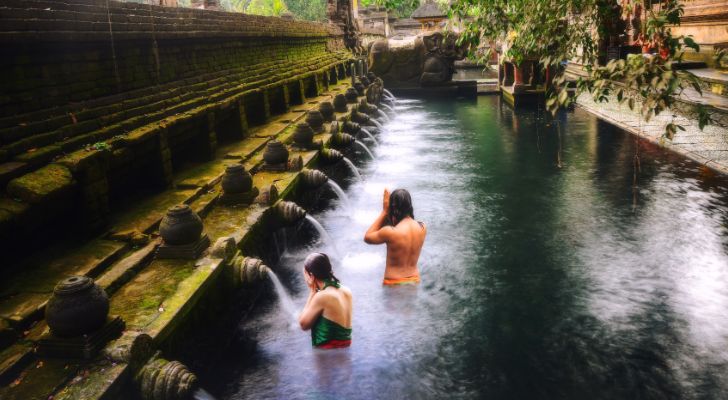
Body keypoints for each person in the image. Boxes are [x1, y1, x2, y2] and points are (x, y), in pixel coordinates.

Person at [364, 188, 427, 285]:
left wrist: (384, 212)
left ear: (393, 208)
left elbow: (367, 237)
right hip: (414, 281)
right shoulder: (422, 227)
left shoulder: (390, 232)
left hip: (393, 283)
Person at [299, 253, 353, 349]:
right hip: (345, 354)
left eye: (305, 274)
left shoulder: (322, 296)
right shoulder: (346, 291)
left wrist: (312, 292)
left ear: (311, 276)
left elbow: (303, 324)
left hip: (328, 357)